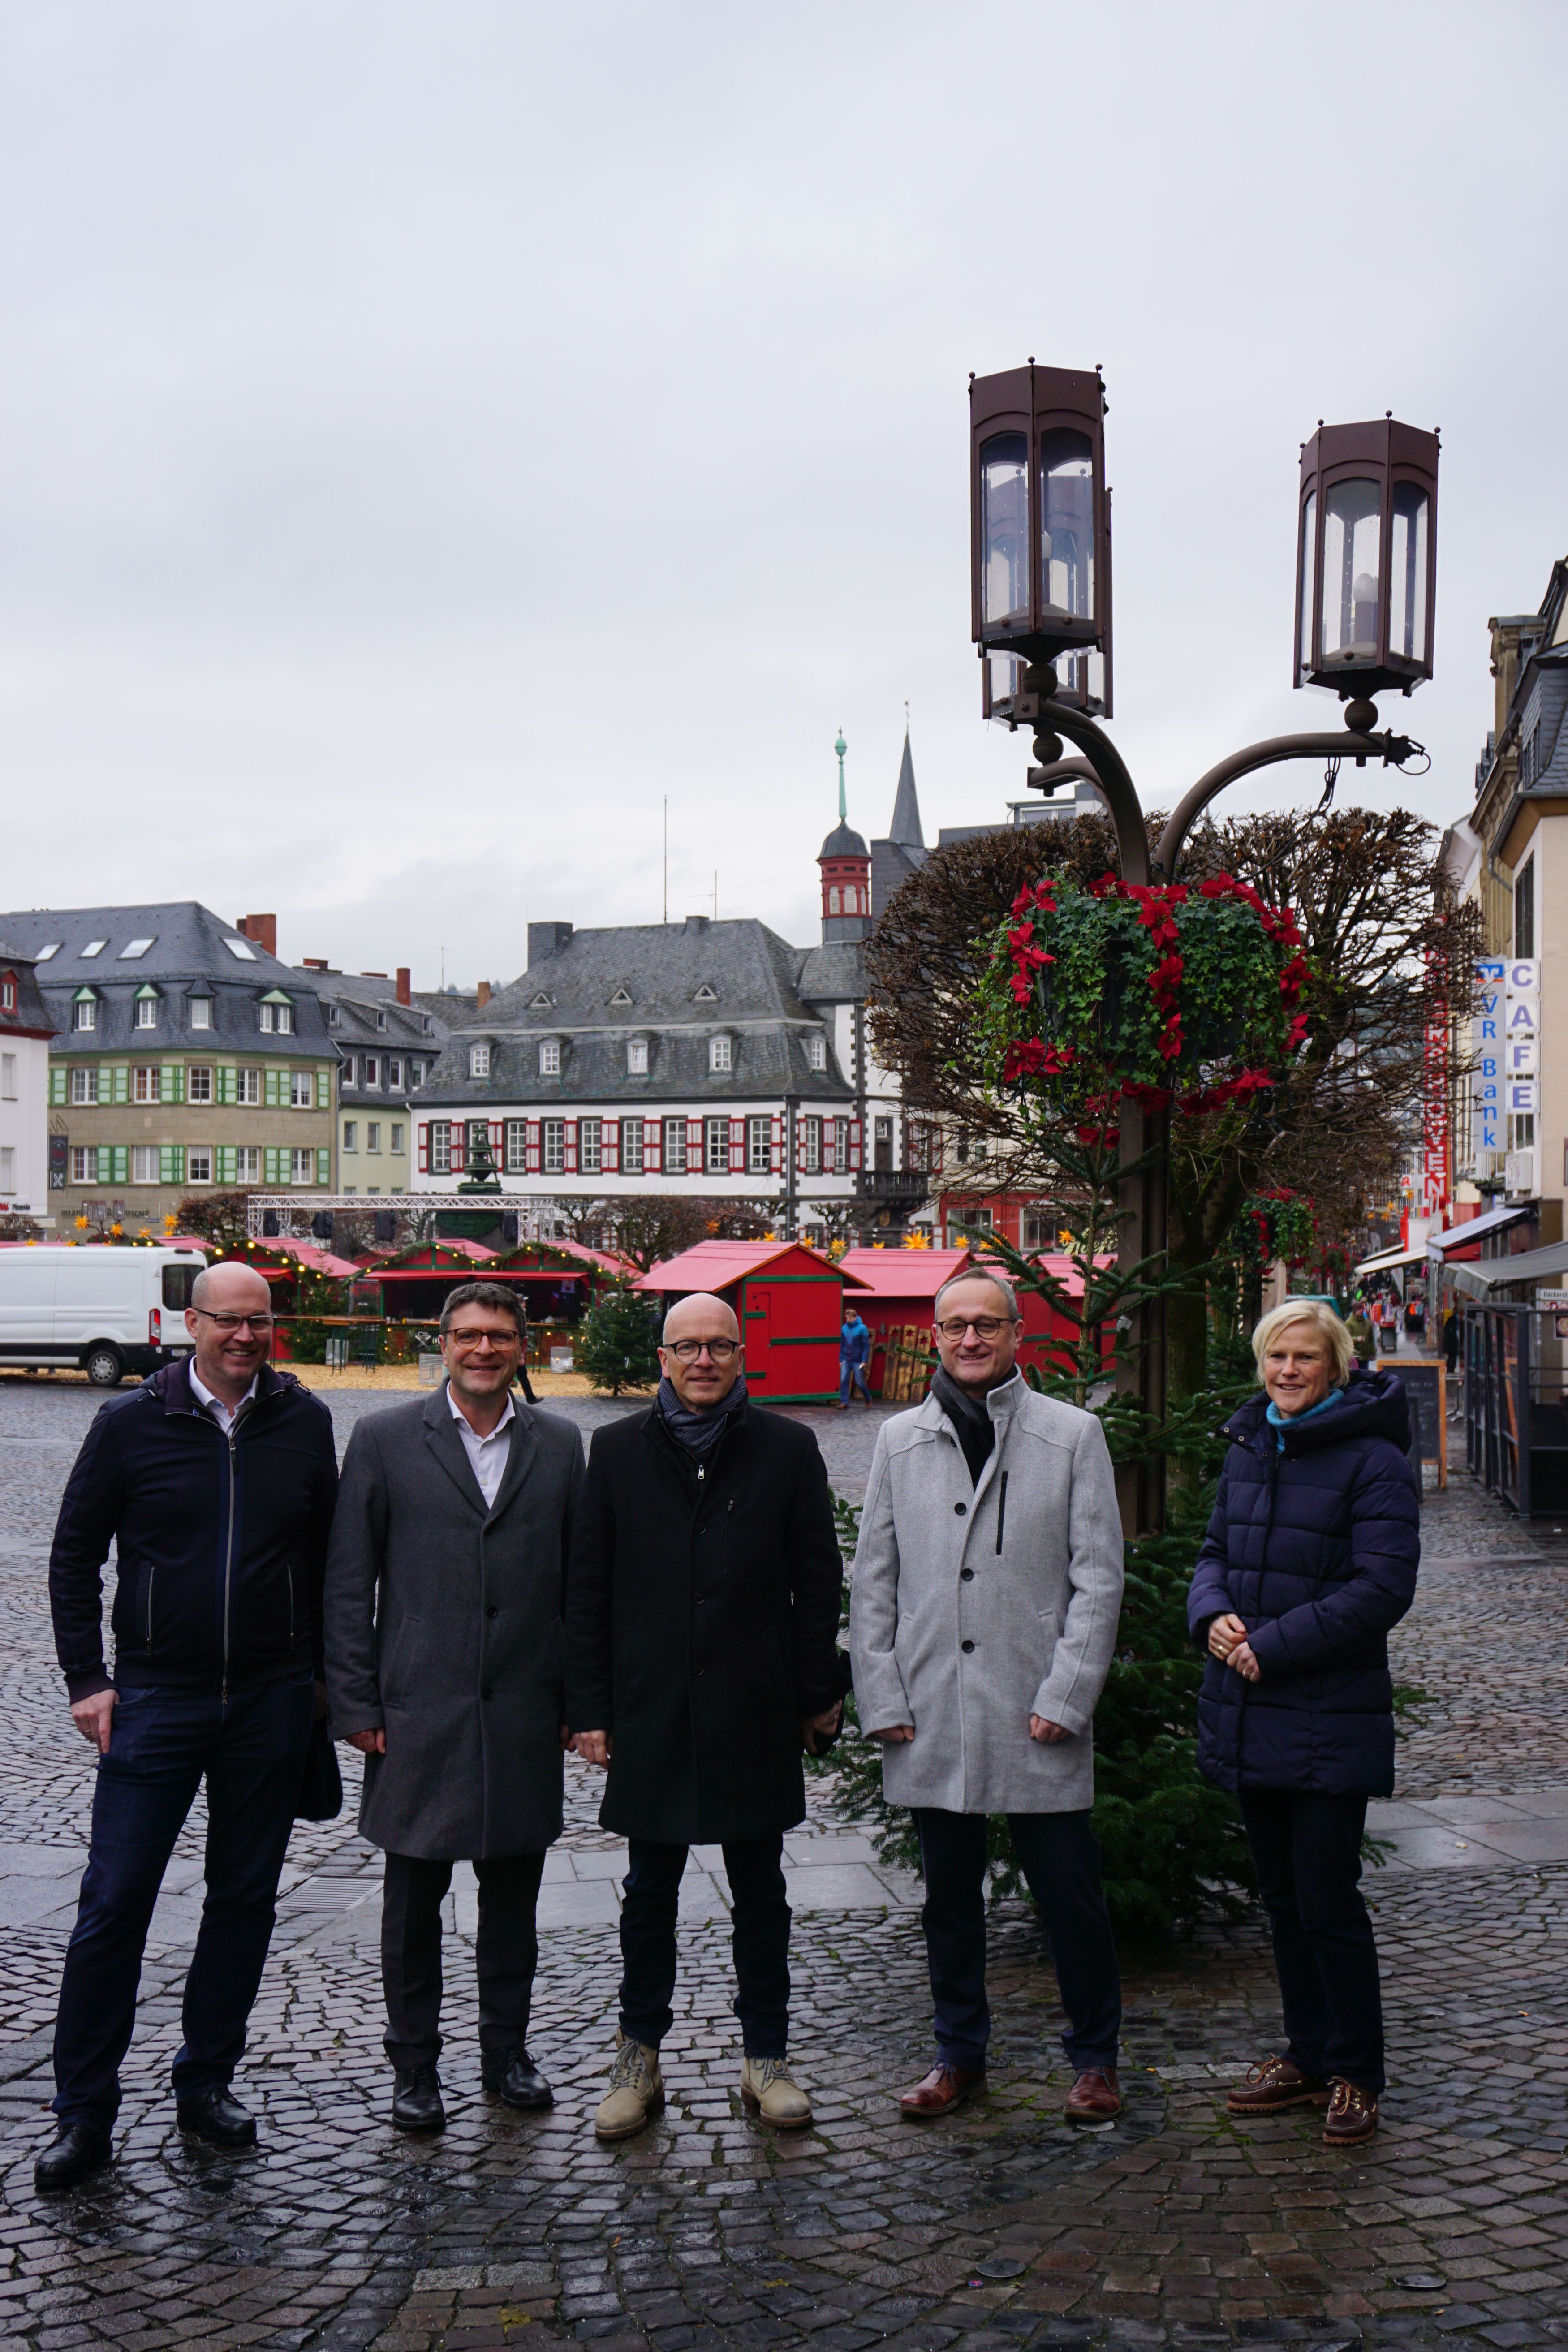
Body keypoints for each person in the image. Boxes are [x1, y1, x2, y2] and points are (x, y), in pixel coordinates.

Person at [38, 1261, 338, 2191]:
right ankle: (84, 2112)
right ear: (192, 1323)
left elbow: (326, 1558)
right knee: (113, 1904)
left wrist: (321, 1678)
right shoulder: (130, 1422)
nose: (246, 1337)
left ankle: (206, 2081)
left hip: (270, 1701)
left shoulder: (304, 1421)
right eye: (228, 1321)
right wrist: (88, 1679)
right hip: (156, 1699)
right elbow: (74, 1554)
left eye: (260, 1321)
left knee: (244, 1900)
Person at [565, 1291, 844, 2140]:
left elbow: (817, 1579)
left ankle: (767, 2056)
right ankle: (638, 2057)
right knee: (648, 1893)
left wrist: (817, 1693)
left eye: (718, 1346)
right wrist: (590, 1706)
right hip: (651, 1705)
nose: (703, 1361)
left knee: (762, 1892)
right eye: (686, 1346)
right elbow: (587, 1587)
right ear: (662, 1358)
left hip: (753, 1704)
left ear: (740, 1356)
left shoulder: (787, 1447)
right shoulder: (617, 1450)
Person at [849, 1269, 1126, 2124]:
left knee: (1070, 1897)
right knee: (949, 1903)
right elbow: (873, 1582)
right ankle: (958, 2054)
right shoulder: (899, 1440)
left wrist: (1068, 1695)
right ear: (936, 1336)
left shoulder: (1071, 1435)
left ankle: (1096, 2060)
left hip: (1036, 1704)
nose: (970, 1340)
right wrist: (882, 1695)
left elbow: (1098, 1579)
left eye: (987, 1325)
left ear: (1016, 1335)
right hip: (932, 1704)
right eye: (955, 1326)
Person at [325, 1281, 583, 2134]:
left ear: (522, 1348)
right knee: (412, 1910)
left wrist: (576, 1699)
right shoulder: (385, 1438)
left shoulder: (559, 1443)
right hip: (416, 1712)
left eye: (500, 1336)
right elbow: (348, 1581)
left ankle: (506, 2053)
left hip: (521, 1711)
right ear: (442, 1344)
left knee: (513, 1907)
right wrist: (356, 1700)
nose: (484, 1349)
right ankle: (415, 2065)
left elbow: (579, 1586)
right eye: (468, 1335)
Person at [1187, 1300, 1418, 2150]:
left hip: (1327, 1712)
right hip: (1252, 1709)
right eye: (1276, 1355)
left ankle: (1357, 2070)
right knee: (1283, 1898)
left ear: (1337, 1366)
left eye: (1305, 1357)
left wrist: (1271, 1647)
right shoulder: (1252, 1444)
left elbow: (1382, 1588)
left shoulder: (1375, 1460)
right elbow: (1214, 1554)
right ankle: (1308, 2052)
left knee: (1327, 1899)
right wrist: (1210, 1615)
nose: (1288, 1370)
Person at [839, 1305, 873, 1408]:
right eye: (847, 1318)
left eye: (850, 1318)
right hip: (846, 1359)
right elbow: (843, 1344)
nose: (848, 1320)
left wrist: (865, 1360)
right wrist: (841, 1358)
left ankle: (868, 1398)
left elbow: (866, 1346)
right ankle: (845, 1403)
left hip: (857, 1360)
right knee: (844, 1380)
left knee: (860, 1382)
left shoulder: (862, 1329)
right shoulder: (844, 1328)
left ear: (855, 1318)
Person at [1344, 1300, 1373, 1365]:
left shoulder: (1368, 1323)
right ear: (1354, 1311)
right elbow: (1347, 1339)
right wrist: (1357, 1339)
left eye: (1362, 1308)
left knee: (1365, 1371)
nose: (1362, 1310)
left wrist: (1373, 1354)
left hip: (1366, 1356)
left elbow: (1371, 1339)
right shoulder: (1349, 1323)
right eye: (1359, 1309)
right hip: (1354, 1357)